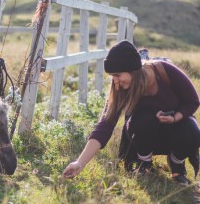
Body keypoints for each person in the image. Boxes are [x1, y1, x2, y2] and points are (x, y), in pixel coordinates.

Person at [63, 40, 200, 185]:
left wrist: (174, 118)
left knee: (192, 132)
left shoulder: (164, 70)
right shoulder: (119, 88)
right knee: (141, 121)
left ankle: (176, 163)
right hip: (144, 136)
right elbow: (105, 125)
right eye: (112, 76)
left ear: (133, 70)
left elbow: (192, 101)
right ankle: (144, 164)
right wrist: (79, 163)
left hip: (175, 128)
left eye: (117, 75)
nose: (115, 81)